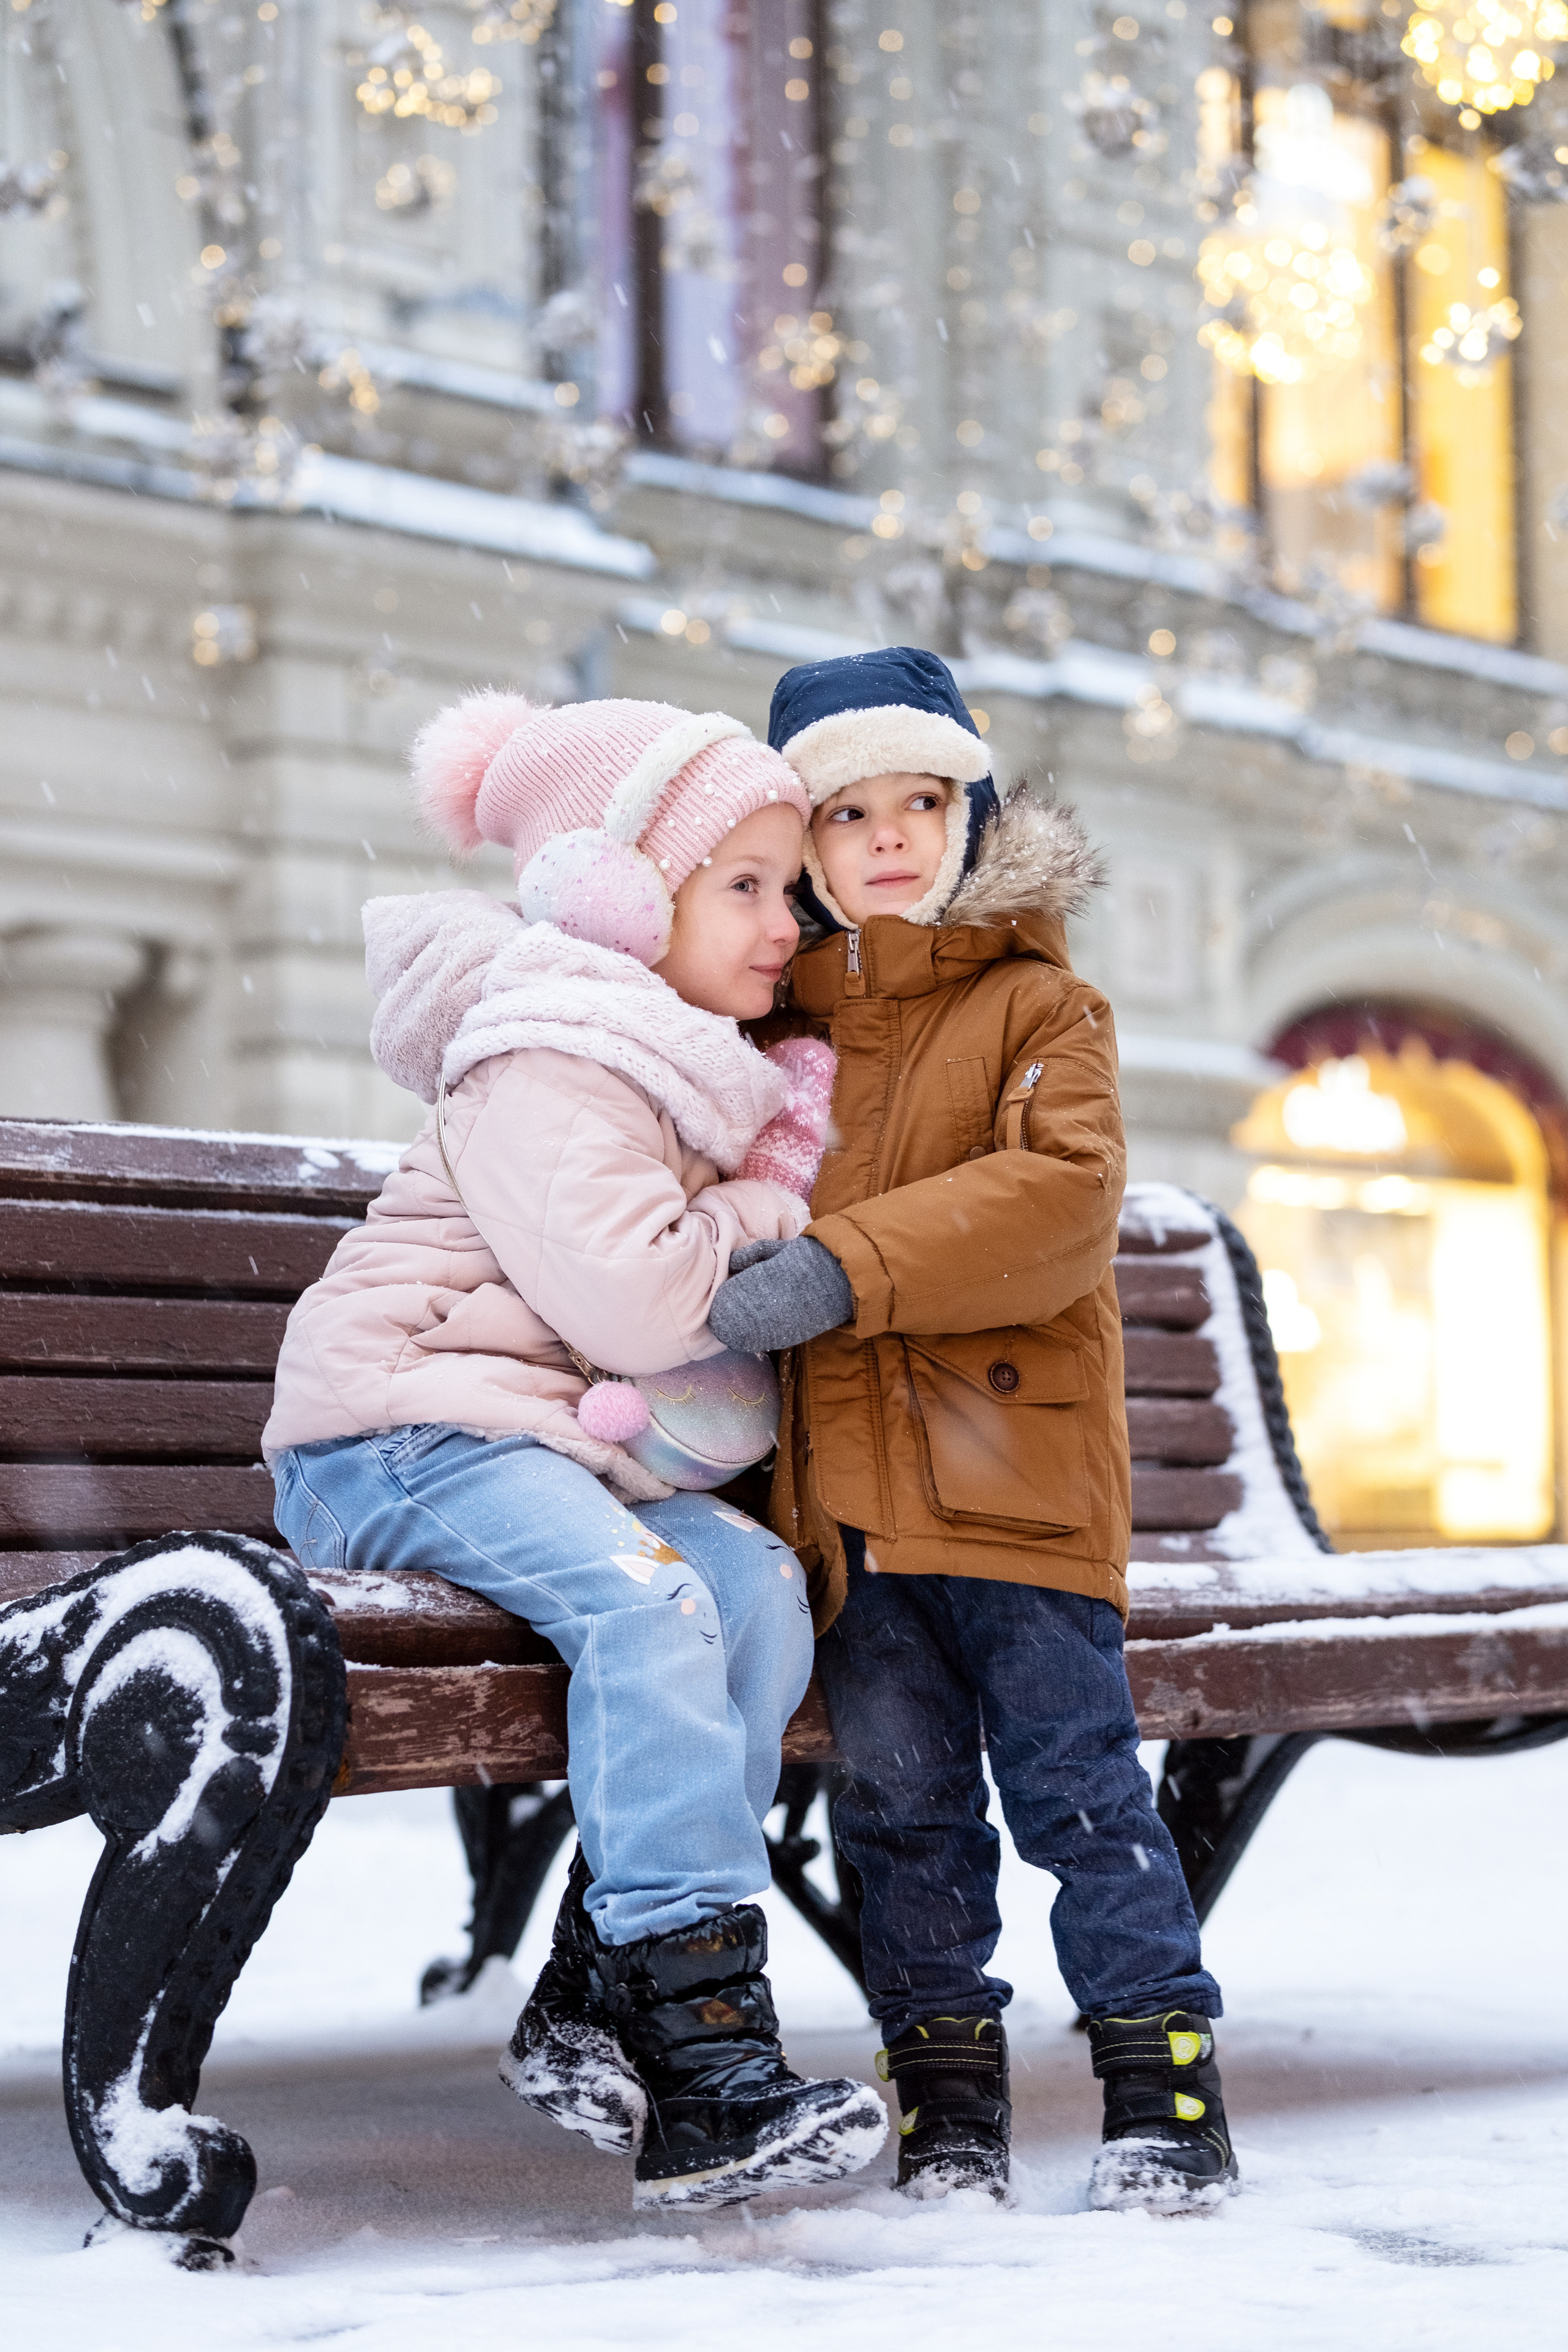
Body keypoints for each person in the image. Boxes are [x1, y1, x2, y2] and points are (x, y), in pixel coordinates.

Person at [262, 688, 886, 2211]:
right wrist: (757, 1213)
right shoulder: (555, 1053)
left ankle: (608, 1986)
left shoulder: (666, 1062)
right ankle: (704, 2057)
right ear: (615, 891)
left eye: (786, 888)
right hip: (398, 1433)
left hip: (525, 1442)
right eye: (739, 884)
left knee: (746, 1594)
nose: (780, 920)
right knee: (651, 1601)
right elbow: (645, 1295)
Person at [705, 645, 1237, 2214]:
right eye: (844, 810)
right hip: (846, 1521)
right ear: (797, 848)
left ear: (970, 810)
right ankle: (945, 2106)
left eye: (918, 801)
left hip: (1015, 1490)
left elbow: (1058, 1205)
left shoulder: (1037, 1005)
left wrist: (838, 1268)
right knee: (901, 1818)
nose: (884, 836)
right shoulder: (770, 1034)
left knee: (1082, 1797)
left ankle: (1164, 2093)